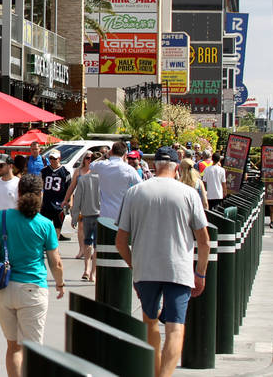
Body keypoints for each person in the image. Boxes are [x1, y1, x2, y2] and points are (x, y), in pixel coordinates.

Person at [116, 146, 210, 377]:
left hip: (145, 268)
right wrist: (200, 273)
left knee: (150, 322)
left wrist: (134, 265)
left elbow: (120, 241)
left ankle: (154, 372)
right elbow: (204, 241)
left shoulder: (135, 192)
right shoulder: (189, 194)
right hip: (178, 268)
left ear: (153, 166)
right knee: (176, 327)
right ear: (177, 167)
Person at [0, 174, 65, 377]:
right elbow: (56, 262)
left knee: (13, 347)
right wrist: (60, 284)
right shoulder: (45, 224)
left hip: (5, 289)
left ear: (18, 193)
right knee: (34, 350)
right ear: (41, 195)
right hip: (33, 289)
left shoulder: (2, 218)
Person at [64, 153, 101, 280]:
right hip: (100, 215)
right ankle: (93, 273)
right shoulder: (104, 179)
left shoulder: (83, 179)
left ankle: (86, 269)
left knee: (87, 242)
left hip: (86, 214)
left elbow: (77, 199)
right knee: (96, 245)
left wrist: (74, 217)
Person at [89, 140, 141, 220]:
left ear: (111, 151)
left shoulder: (102, 165)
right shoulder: (129, 169)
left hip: (105, 214)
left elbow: (91, 166)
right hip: (122, 214)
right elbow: (140, 186)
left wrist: (104, 156)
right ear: (125, 154)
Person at [40, 150, 72, 241]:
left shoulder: (65, 172)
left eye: (55, 158)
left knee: (57, 227)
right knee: (44, 226)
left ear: (59, 159)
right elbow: (40, 187)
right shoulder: (44, 171)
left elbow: (69, 189)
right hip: (46, 203)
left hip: (59, 204)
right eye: (51, 158)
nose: (53, 160)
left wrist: (70, 202)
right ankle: (45, 244)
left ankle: (55, 245)